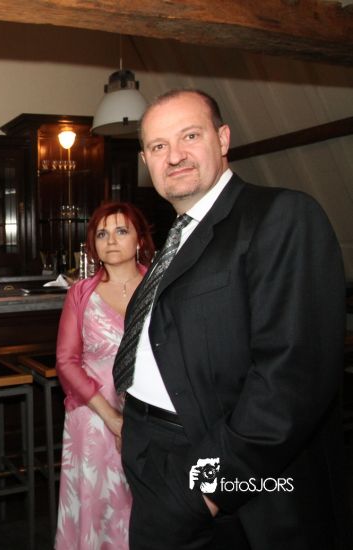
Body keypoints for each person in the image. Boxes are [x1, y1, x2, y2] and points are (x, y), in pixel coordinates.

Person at [113, 88, 350, 549]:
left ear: (222, 138)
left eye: (190, 136)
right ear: (146, 160)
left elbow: (291, 381)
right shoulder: (177, 237)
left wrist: (208, 489)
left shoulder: (280, 216)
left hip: (217, 466)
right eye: (159, 146)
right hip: (150, 451)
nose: (174, 156)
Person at [54, 202, 156, 549]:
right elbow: (66, 361)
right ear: (92, 245)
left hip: (151, 415)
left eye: (121, 231)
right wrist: (112, 418)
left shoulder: (161, 287)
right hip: (94, 413)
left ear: (139, 239)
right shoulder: (80, 293)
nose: (111, 240)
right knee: (97, 510)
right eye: (102, 234)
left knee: (145, 507)